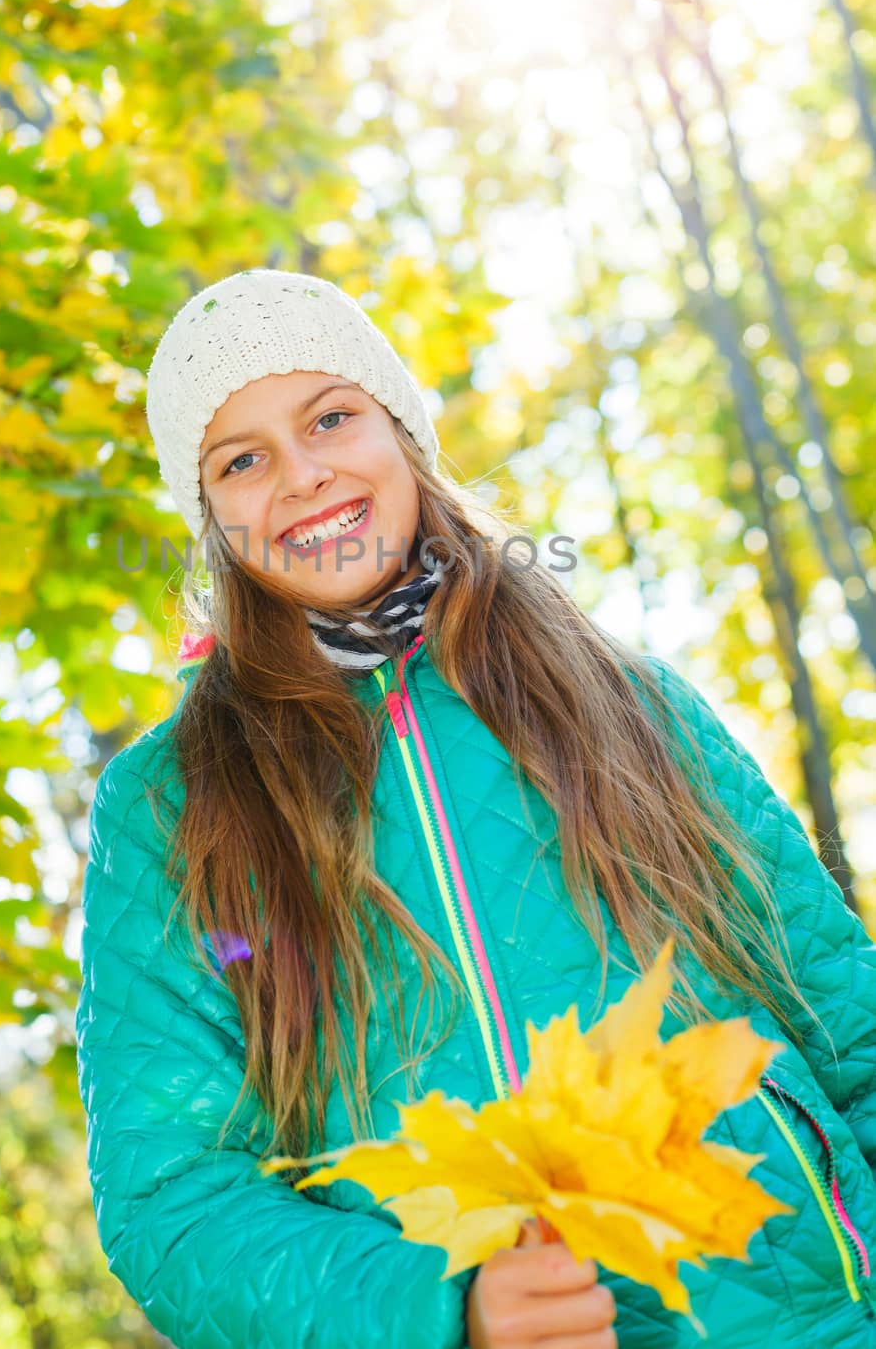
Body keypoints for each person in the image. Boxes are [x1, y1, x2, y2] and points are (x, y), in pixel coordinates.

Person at [75, 268, 876, 1349]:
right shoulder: (170, 805)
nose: (303, 475)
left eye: (330, 416)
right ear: (210, 510)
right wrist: (438, 1306)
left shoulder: (621, 693)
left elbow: (844, 1021)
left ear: (398, 430)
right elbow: (168, 1195)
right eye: (243, 458)